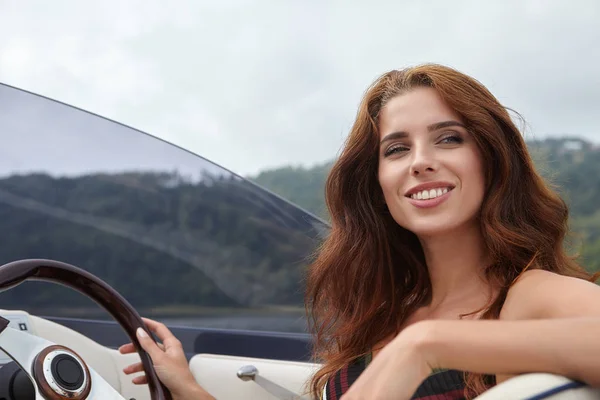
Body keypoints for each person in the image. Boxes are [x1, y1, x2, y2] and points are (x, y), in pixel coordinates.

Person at [119, 64, 600, 400]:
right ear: (378, 186)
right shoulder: (384, 316)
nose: (421, 161)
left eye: (449, 138)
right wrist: (187, 388)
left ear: (492, 161)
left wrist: (427, 346)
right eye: (396, 149)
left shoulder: (529, 297)